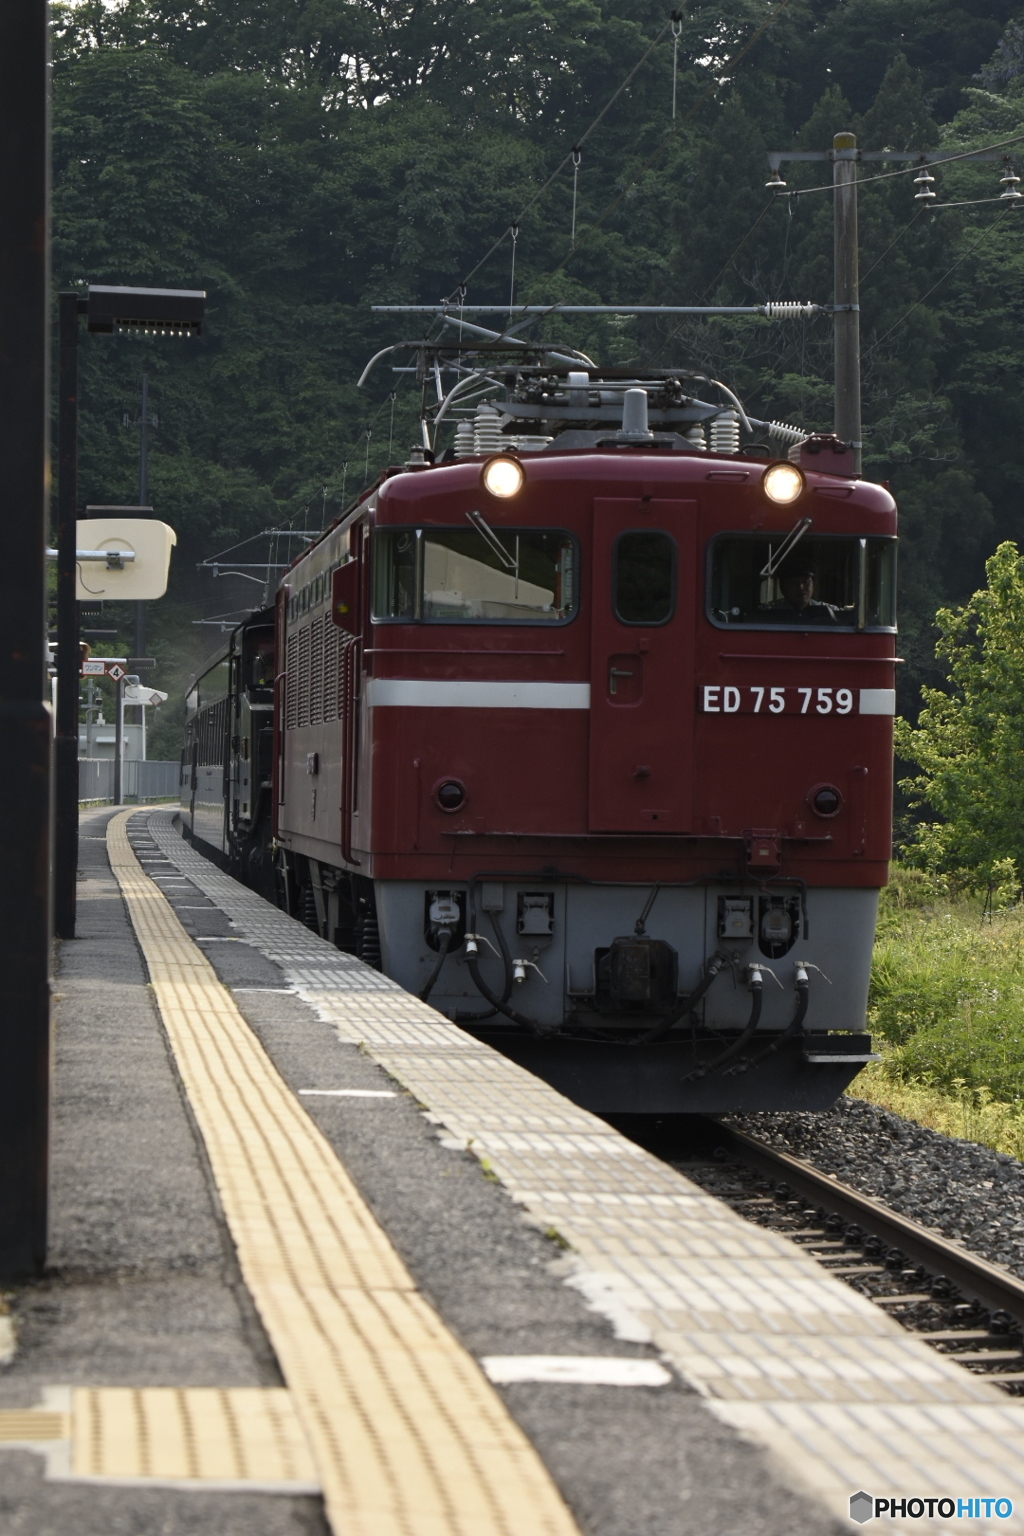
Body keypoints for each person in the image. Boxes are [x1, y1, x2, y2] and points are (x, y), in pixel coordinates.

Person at [771, 555, 847, 624]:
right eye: (793, 583)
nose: (801, 587)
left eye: (806, 582)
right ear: (783, 588)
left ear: (813, 586)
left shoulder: (830, 611)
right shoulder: (771, 613)